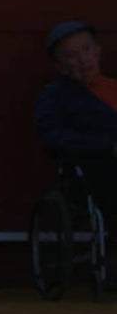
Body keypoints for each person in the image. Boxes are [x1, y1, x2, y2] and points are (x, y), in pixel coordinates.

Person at [35, 20, 117, 216]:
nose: (83, 59)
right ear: (60, 66)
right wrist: (106, 145)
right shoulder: (54, 97)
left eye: (87, 50)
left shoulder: (113, 85)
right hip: (97, 170)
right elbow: (52, 137)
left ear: (97, 52)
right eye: (73, 55)